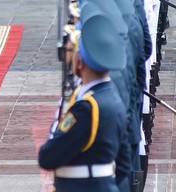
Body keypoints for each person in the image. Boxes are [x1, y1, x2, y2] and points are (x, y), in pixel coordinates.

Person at [38, 10, 131, 191]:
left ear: (80, 61)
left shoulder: (87, 109)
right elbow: (124, 163)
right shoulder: (113, 97)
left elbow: (48, 157)